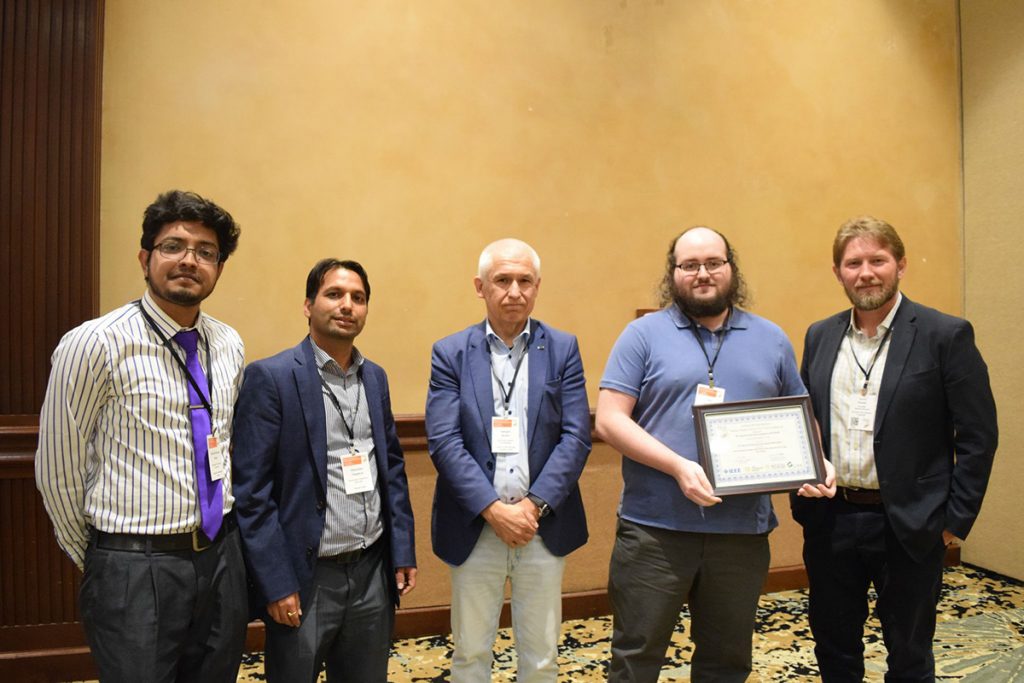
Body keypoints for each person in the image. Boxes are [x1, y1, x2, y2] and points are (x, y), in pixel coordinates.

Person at [595, 226, 835, 682]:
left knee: (727, 662)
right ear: (674, 273)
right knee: (636, 657)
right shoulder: (642, 335)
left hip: (740, 536)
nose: (702, 274)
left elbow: (800, 416)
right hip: (655, 533)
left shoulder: (770, 338)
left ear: (731, 268)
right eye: (690, 265)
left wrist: (815, 461)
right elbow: (609, 420)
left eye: (713, 263)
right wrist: (678, 466)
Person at [34, 190, 247, 682]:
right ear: (145, 258)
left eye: (206, 252)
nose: (189, 260)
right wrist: (104, 558)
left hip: (220, 556)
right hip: (133, 566)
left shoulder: (229, 343)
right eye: (173, 245)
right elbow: (57, 472)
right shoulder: (95, 343)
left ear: (219, 267)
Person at [793, 216, 998, 682]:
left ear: (900, 265)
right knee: (833, 644)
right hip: (833, 521)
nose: (865, 272)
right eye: (853, 263)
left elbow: (978, 435)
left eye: (877, 260)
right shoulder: (820, 335)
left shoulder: (945, 334)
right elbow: (808, 424)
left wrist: (954, 522)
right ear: (838, 272)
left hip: (911, 523)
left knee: (908, 652)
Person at [232, 258, 416, 682]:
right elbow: (252, 494)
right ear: (308, 305)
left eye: (358, 298)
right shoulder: (272, 377)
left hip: (372, 570)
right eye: (334, 294)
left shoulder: (375, 378)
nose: (347, 305)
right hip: (308, 575)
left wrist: (402, 549)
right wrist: (276, 583)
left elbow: (391, 468)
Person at [425, 238, 591, 682]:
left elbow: (576, 438)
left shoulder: (562, 348)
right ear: (480, 287)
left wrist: (531, 508)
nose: (514, 291)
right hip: (476, 525)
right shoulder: (451, 353)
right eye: (502, 280)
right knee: (471, 654)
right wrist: (494, 510)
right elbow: (444, 440)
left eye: (524, 281)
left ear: (537, 287)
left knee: (541, 656)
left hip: (542, 525)